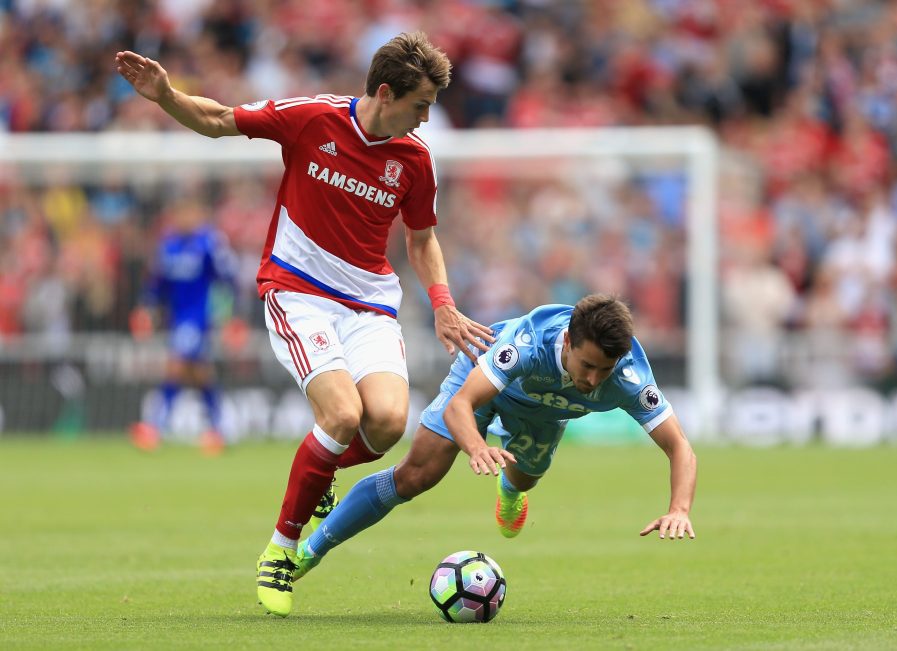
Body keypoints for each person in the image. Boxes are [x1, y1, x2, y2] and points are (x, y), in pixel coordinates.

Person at [116, 31, 493, 617]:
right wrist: (167, 95)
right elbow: (218, 119)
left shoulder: (415, 159)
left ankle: (319, 477)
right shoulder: (311, 118)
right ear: (386, 92)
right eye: (420, 106)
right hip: (298, 291)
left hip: (370, 302)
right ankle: (281, 550)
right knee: (342, 415)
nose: (425, 120)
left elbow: (421, 240)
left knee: (388, 423)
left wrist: (443, 302)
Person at [293, 294, 698, 585]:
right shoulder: (526, 344)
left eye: (603, 370)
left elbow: (679, 446)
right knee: (417, 475)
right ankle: (309, 551)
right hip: (484, 384)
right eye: (587, 365)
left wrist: (679, 509)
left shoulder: (629, 377)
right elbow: (461, 406)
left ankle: (511, 489)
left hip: (548, 413)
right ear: (568, 342)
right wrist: (476, 446)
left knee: (524, 478)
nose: (593, 381)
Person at [129, 195, 240, 456]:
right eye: (180, 214)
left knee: (176, 365)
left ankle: (154, 428)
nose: (184, 219)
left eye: (189, 213)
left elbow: (228, 278)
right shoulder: (168, 246)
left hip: (200, 316)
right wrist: (146, 309)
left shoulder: (209, 243)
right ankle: (217, 429)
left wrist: (231, 314)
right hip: (177, 317)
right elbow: (157, 285)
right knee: (199, 374)